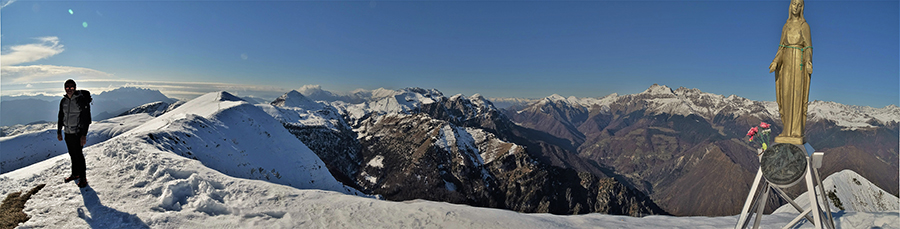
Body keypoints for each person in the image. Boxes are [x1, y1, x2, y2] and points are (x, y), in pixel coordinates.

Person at [768, 0, 812, 145]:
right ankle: (786, 129)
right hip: (786, 64)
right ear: (790, 6)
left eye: (799, 4)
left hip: (798, 64)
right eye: (794, 3)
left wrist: (809, 61)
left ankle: (796, 131)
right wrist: (775, 61)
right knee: (786, 95)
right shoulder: (786, 26)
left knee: (797, 96)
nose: (796, 7)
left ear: (802, 8)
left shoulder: (804, 26)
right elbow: (781, 47)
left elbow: (808, 47)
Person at [57, 79, 92, 188]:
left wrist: (83, 135)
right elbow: (60, 116)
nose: (69, 89)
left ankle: (83, 178)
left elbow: (86, 118)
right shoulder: (63, 101)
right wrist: (59, 131)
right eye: (67, 87)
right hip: (67, 132)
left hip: (77, 133)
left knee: (79, 155)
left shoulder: (81, 100)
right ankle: (75, 173)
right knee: (72, 154)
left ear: (75, 88)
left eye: (72, 87)